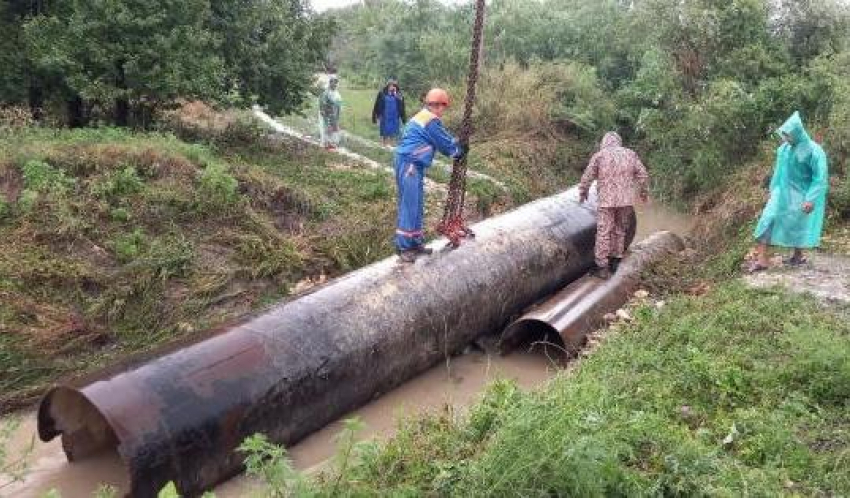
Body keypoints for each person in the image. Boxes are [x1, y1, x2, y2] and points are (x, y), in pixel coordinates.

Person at [749, 111, 828, 272]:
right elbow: (778, 171)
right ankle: (762, 260)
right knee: (767, 219)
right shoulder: (783, 149)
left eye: (788, 135)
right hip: (782, 192)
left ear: (797, 132)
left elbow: (819, 177)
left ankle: (798, 255)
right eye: (784, 134)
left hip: (802, 193)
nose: (785, 138)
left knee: (798, 224)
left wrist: (810, 199)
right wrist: (772, 189)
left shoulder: (814, 150)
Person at [393, 88, 466, 263]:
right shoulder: (431, 121)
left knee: (416, 203)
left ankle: (415, 243)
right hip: (409, 163)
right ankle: (404, 247)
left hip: (412, 163)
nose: (443, 111)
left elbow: (442, 136)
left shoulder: (423, 117)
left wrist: (455, 143)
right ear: (438, 105)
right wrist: (457, 151)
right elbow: (443, 143)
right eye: (443, 107)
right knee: (410, 205)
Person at [579, 131, 649, 279]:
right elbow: (643, 175)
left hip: (606, 201)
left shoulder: (600, 155)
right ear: (619, 142)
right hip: (625, 201)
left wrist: (583, 192)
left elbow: (587, 176)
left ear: (604, 142)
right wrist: (644, 193)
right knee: (619, 229)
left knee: (604, 231)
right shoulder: (630, 154)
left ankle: (602, 266)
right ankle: (616, 260)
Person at [372, 79, 407, 147]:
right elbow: (377, 104)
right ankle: (384, 144)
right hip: (385, 114)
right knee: (384, 129)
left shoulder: (398, 94)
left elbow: (402, 105)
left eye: (394, 85)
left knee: (394, 129)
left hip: (394, 115)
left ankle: (392, 144)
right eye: (390, 85)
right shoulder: (382, 93)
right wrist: (375, 115)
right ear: (387, 86)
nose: (392, 87)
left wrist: (403, 118)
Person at [318, 75, 342, 150]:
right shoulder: (326, 92)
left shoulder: (337, 93)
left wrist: (338, 112)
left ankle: (332, 143)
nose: (335, 84)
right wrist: (323, 111)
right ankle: (326, 143)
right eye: (333, 82)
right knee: (326, 128)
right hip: (327, 113)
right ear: (330, 82)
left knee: (334, 128)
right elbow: (321, 102)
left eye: (336, 82)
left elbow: (339, 103)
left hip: (335, 114)